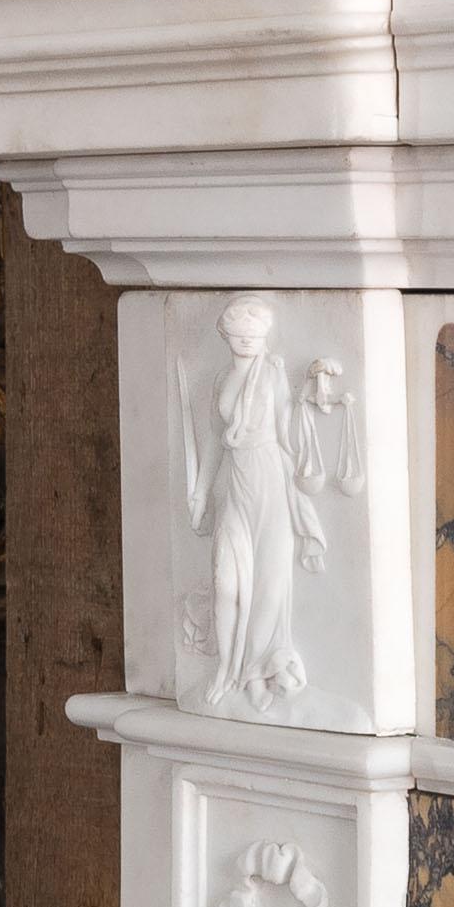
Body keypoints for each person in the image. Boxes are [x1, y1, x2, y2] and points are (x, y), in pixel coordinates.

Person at [190, 296, 326, 712]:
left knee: (269, 582)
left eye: (254, 334)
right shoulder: (221, 379)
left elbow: (289, 423)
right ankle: (224, 669)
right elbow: (214, 439)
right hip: (234, 483)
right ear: (225, 335)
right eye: (239, 333)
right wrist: (201, 490)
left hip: (269, 480)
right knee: (226, 583)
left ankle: (254, 673)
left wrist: (313, 392)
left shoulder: (272, 373)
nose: (247, 340)